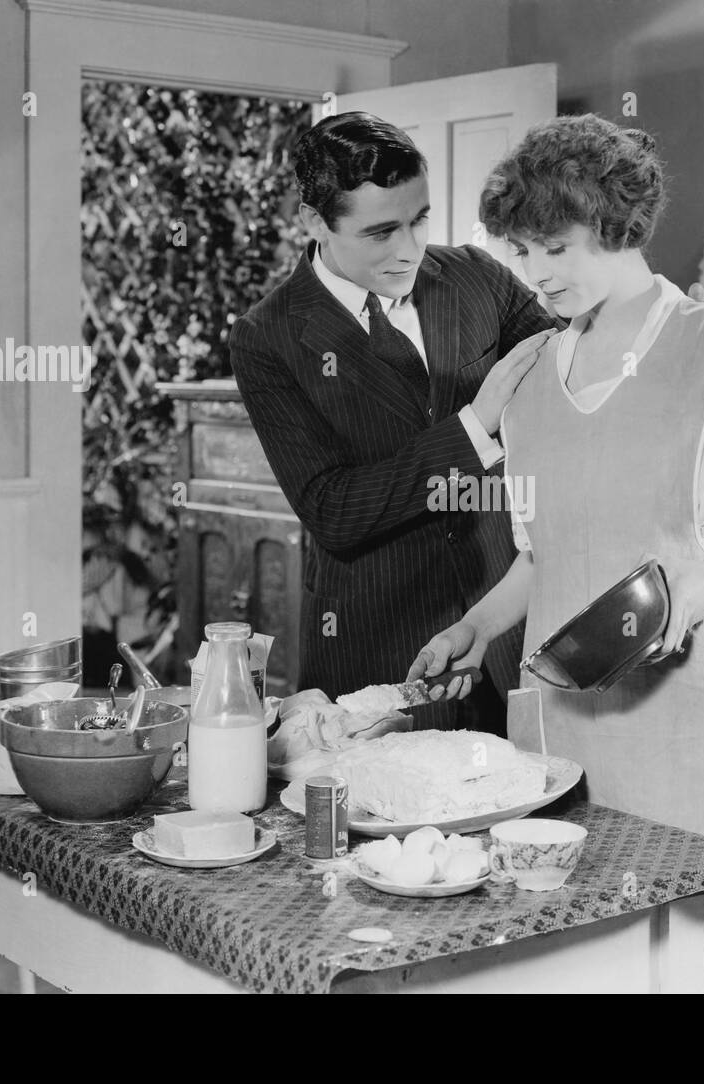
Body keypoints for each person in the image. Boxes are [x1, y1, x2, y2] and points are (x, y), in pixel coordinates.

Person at [407, 114, 704, 992]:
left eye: (556, 248)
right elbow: (543, 553)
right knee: (585, 961)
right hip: (569, 719)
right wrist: (474, 623)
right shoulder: (529, 373)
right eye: (518, 253)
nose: (534, 274)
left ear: (618, 226)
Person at [229, 112, 557, 733]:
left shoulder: (475, 276)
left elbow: (574, 372)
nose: (408, 248)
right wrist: (474, 426)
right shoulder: (266, 337)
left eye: (419, 219)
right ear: (315, 222)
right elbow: (335, 511)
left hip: (510, 638)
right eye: (381, 232)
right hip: (378, 653)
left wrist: (667, 334)